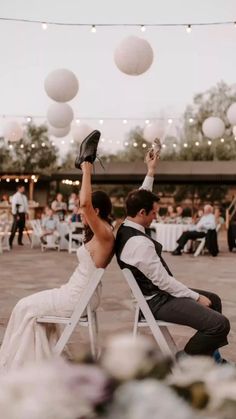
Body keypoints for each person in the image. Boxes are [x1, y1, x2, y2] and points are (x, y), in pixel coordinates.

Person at [0, 131, 114, 370]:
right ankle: (35, 358)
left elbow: (84, 203)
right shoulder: (104, 231)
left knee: (23, 306)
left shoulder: (104, 233)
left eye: (87, 211)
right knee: (27, 307)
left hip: (77, 298)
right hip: (77, 293)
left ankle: (22, 364)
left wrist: (86, 167)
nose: (82, 213)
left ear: (98, 211)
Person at [115, 152, 230, 359]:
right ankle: (185, 360)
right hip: (156, 301)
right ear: (142, 212)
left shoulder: (127, 224)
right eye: (153, 213)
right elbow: (164, 282)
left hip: (157, 294)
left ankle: (212, 361)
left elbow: (142, 194)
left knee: (214, 299)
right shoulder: (139, 244)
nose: (155, 216)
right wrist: (195, 297)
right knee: (220, 324)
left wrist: (151, 170)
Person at [9, 184, 28, 248]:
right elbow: (13, 206)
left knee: (21, 228)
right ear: (19, 189)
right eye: (22, 188)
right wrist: (15, 215)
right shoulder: (15, 196)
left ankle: (19, 241)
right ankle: (10, 242)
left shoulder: (24, 197)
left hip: (23, 214)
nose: (23, 189)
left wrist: (26, 213)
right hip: (17, 214)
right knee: (14, 229)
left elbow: (26, 206)